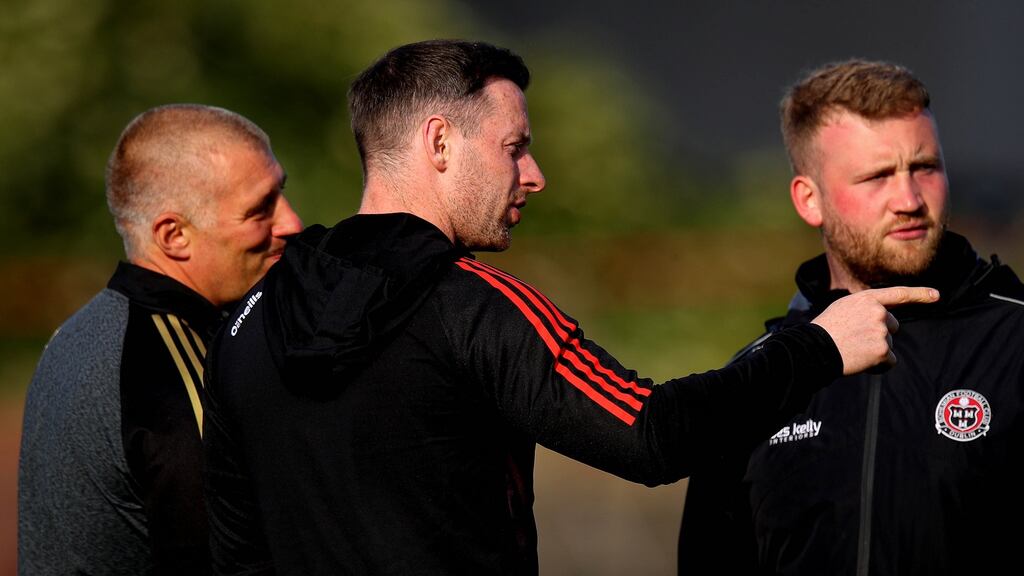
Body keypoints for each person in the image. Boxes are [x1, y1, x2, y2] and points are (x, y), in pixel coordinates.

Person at [202, 41, 935, 576]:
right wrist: (817, 345)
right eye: (515, 147)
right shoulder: (477, 305)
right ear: (439, 144)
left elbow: (235, 552)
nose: (536, 175)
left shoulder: (246, 319)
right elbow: (653, 435)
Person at [678, 59, 1024, 575]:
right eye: (877, 176)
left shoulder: (1014, 341)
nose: (908, 199)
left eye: (925, 167)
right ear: (809, 200)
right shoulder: (757, 384)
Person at [18, 104, 303, 575]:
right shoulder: (172, 372)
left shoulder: (81, 332)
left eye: (282, 193)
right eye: (260, 210)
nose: (290, 223)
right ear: (174, 236)